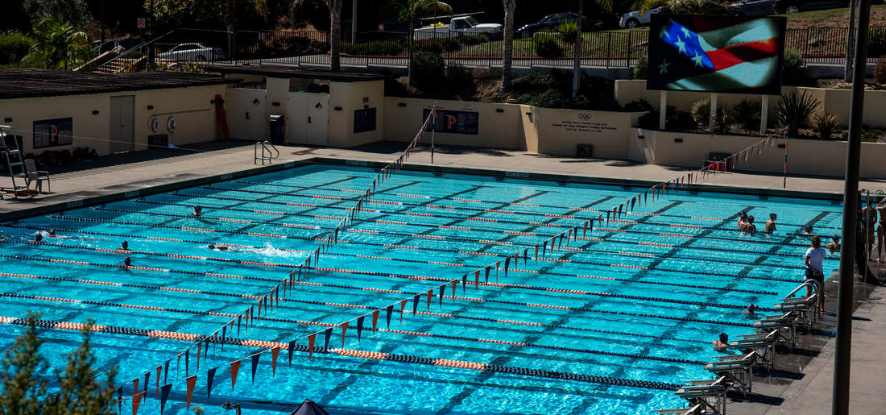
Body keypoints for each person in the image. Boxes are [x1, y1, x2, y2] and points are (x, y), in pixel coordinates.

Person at [805, 236, 827, 316]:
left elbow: (806, 262)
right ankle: (822, 308)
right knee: (821, 291)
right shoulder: (823, 251)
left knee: (809, 291)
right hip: (820, 272)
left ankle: (806, 306)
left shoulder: (809, 251)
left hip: (810, 272)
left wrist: (813, 269)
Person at [877, 198, 886, 262]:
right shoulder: (881, 209)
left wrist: (881, 201)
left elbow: (876, 206)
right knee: (881, 242)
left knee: (880, 242)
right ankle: (883, 257)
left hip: (881, 224)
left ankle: (879, 257)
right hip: (882, 225)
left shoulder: (881, 209)